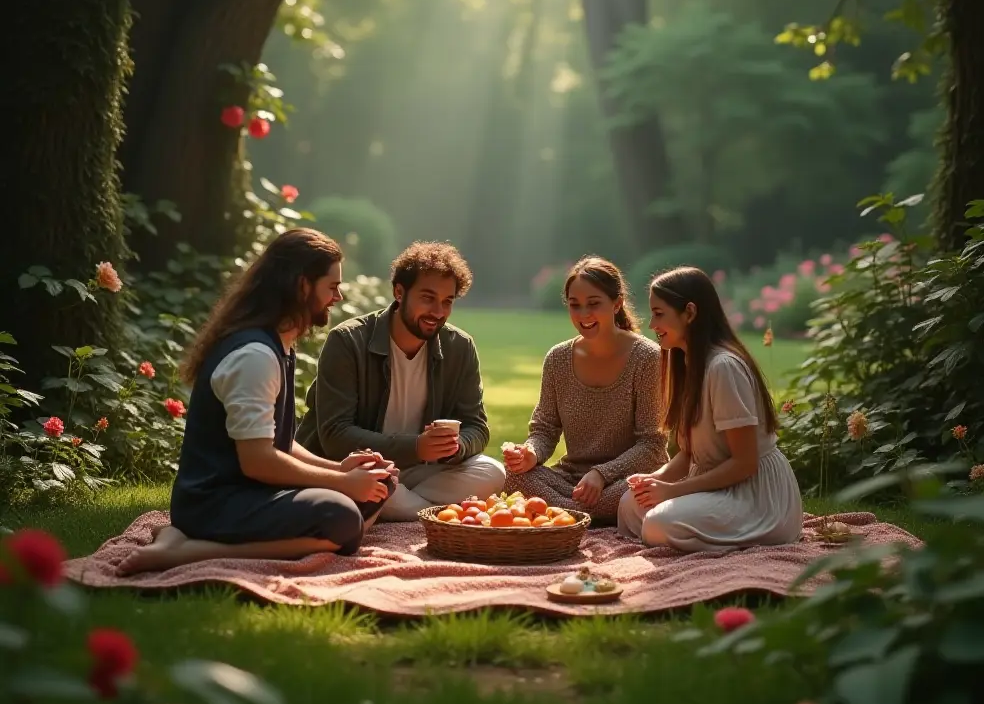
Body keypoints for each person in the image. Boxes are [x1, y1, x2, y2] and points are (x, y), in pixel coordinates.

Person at [118, 229, 397, 576]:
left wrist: (340, 469)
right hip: (216, 504)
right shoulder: (255, 356)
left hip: (256, 494)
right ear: (301, 285)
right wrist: (341, 484)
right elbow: (258, 461)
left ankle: (186, 540)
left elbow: (278, 440)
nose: (338, 296)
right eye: (331, 286)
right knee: (340, 517)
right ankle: (186, 551)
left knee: (379, 485)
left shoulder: (280, 344)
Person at [296, 241, 505, 521]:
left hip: (420, 469)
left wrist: (456, 447)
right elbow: (335, 436)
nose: (438, 312)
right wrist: (416, 446)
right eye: (428, 298)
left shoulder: (460, 346)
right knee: (374, 483)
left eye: (447, 301)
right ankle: (429, 512)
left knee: (492, 472)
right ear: (399, 292)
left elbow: (476, 426)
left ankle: (398, 507)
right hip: (358, 467)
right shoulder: (348, 341)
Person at [617, 266, 803, 552]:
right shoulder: (687, 364)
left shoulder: (724, 368)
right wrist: (657, 479)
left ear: (689, 313)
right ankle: (693, 532)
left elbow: (745, 463)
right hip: (713, 486)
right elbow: (691, 453)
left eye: (659, 313)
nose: (652, 324)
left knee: (657, 524)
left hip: (754, 496)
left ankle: (731, 539)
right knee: (630, 506)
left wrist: (673, 490)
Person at [503, 257, 667, 524]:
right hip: (572, 480)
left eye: (593, 304)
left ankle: (566, 514)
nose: (583, 315)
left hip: (625, 478)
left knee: (636, 490)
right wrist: (529, 453)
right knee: (513, 475)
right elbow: (544, 430)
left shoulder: (648, 358)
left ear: (617, 303)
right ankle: (582, 513)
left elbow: (652, 445)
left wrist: (602, 474)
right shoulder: (558, 359)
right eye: (574, 305)